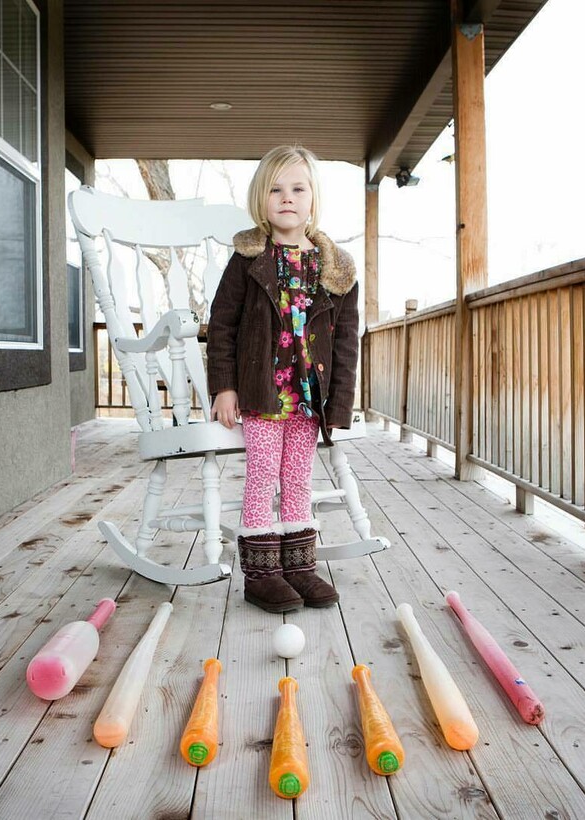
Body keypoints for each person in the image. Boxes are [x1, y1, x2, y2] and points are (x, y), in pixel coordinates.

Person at [206, 145, 359, 613]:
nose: (286, 198)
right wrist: (224, 386)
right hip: (264, 391)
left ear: (313, 198)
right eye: (275, 189)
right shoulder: (249, 259)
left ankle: (299, 566)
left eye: (297, 188)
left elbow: (348, 342)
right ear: (261, 198)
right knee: (262, 476)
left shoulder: (335, 269)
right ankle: (261, 574)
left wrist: (339, 404)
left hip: (309, 394)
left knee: (297, 478)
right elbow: (222, 325)